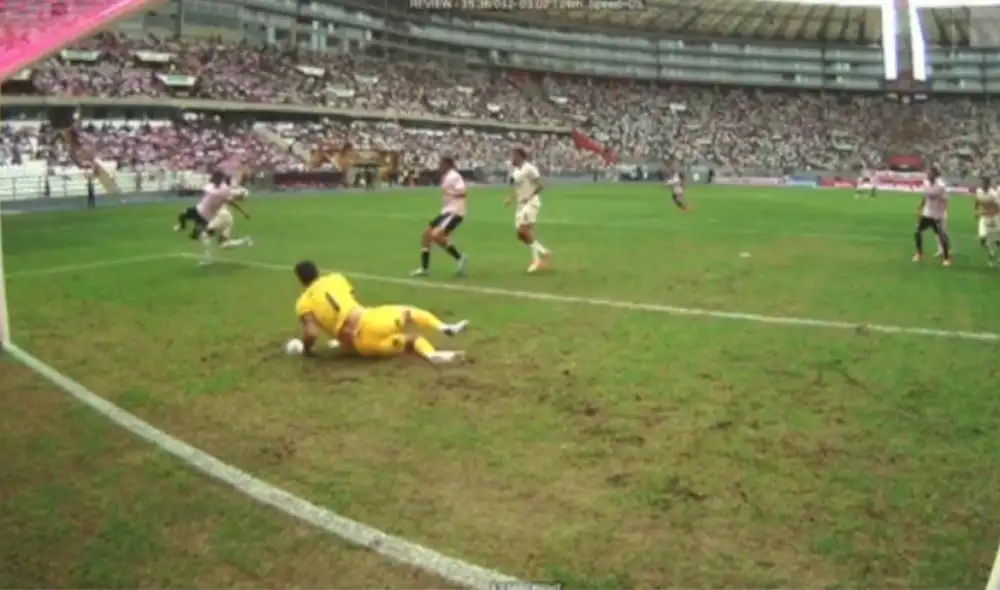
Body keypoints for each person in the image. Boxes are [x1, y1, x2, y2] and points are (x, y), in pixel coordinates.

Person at [293, 260, 468, 364]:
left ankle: (432, 353)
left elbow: (312, 333)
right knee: (409, 312)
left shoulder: (303, 303)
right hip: (370, 321)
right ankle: (442, 332)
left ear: (301, 281)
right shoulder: (336, 278)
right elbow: (349, 301)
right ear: (317, 271)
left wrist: (306, 350)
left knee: (410, 341)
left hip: (362, 346)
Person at [174, 171, 249, 264]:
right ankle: (182, 226)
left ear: (220, 179)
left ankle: (208, 257)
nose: (212, 179)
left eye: (214, 178)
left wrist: (242, 210)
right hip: (201, 210)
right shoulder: (211, 186)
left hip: (210, 216)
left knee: (204, 234)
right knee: (182, 214)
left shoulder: (225, 190)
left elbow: (233, 199)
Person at [411, 156, 468, 277]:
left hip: (455, 211)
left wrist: (450, 193)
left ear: (447, 165)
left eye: (441, 165)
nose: (439, 167)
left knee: (436, 235)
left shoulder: (454, 176)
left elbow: (463, 192)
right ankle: (424, 268)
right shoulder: (446, 177)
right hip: (446, 211)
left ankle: (460, 257)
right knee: (426, 234)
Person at [505, 148, 551, 273]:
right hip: (521, 205)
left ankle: (537, 260)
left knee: (524, 230)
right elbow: (518, 188)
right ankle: (543, 252)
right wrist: (511, 198)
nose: (512, 158)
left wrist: (530, 196)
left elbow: (541, 184)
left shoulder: (529, 168)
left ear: (520, 156)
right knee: (521, 235)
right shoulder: (516, 171)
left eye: (513, 156)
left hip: (531, 203)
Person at [913, 167, 952, 266]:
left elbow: (945, 201)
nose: (928, 175)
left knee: (941, 235)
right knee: (917, 231)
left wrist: (942, 214)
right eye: (928, 173)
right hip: (927, 213)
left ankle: (946, 258)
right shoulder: (926, 183)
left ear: (935, 175)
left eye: (930, 173)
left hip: (938, 215)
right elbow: (925, 196)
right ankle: (919, 253)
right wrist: (920, 207)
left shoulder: (941, 186)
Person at [974, 176, 1000, 266]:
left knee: (997, 240)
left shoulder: (993, 194)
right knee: (982, 239)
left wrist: (982, 212)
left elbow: (997, 208)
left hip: (994, 218)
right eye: (981, 183)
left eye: (983, 183)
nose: (981, 185)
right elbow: (977, 201)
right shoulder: (979, 191)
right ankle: (991, 252)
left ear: (988, 184)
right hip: (984, 218)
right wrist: (975, 210)